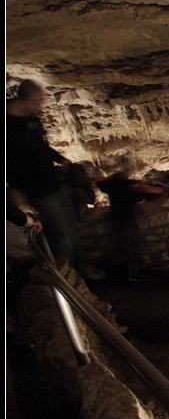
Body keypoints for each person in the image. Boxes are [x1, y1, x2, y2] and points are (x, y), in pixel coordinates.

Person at [6, 79, 104, 279]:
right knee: (63, 238)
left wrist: (59, 159)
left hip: (53, 184)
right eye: (37, 102)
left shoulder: (31, 118)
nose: (40, 107)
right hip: (34, 190)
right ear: (24, 100)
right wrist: (14, 191)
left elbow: (41, 146)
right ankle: (66, 284)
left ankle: (81, 270)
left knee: (70, 230)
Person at [96, 157, 163, 282]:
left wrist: (113, 177)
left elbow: (100, 183)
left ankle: (129, 272)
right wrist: (150, 187)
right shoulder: (129, 188)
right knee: (130, 248)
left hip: (116, 218)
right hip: (127, 220)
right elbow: (154, 194)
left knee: (125, 247)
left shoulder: (113, 184)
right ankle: (132, 274)